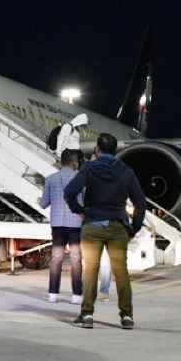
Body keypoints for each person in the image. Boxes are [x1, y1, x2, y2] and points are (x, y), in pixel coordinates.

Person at [64, 132, 147, 330]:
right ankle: (126, 317)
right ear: (116, 150)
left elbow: (69, 192)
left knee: (90, 271)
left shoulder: (89, 168)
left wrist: (80, 210)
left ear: (96, 149)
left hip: (92, 225)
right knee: (121, 272)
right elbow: (140, 203)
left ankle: (87, 315)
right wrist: (133, 228)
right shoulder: (126, 170)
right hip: (117, 226)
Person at [39, 149, 85, 304]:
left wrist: (39, 198)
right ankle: (77, 295)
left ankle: (53, 294)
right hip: (75, 224)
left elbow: (44, 203)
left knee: (56, 259)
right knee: (76, 259)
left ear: (61, 162)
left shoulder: (51, 179)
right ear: (74, 162)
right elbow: (85, 202)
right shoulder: (80, 178)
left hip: (57, 225)